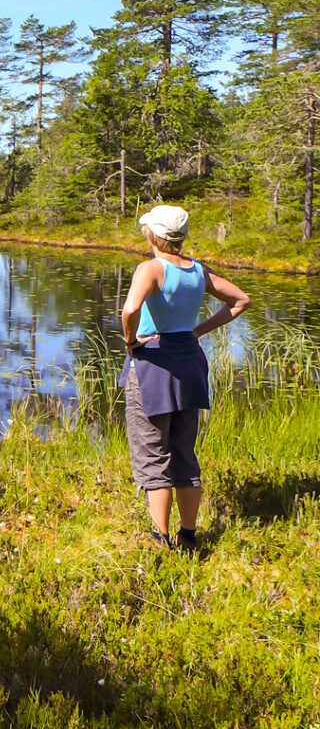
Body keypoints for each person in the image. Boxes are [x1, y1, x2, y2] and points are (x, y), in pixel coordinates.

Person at [119, 205, 251, 552]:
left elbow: (130, 309)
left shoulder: (151, 268)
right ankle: (188, 536)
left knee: (152, 454)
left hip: (153, 365)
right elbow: (240, 300)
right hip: (190, 363)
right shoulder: (197, 270)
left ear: (153, 235)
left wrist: (131, 341)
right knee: (183, 452)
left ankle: (160, 539)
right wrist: (196, 332)